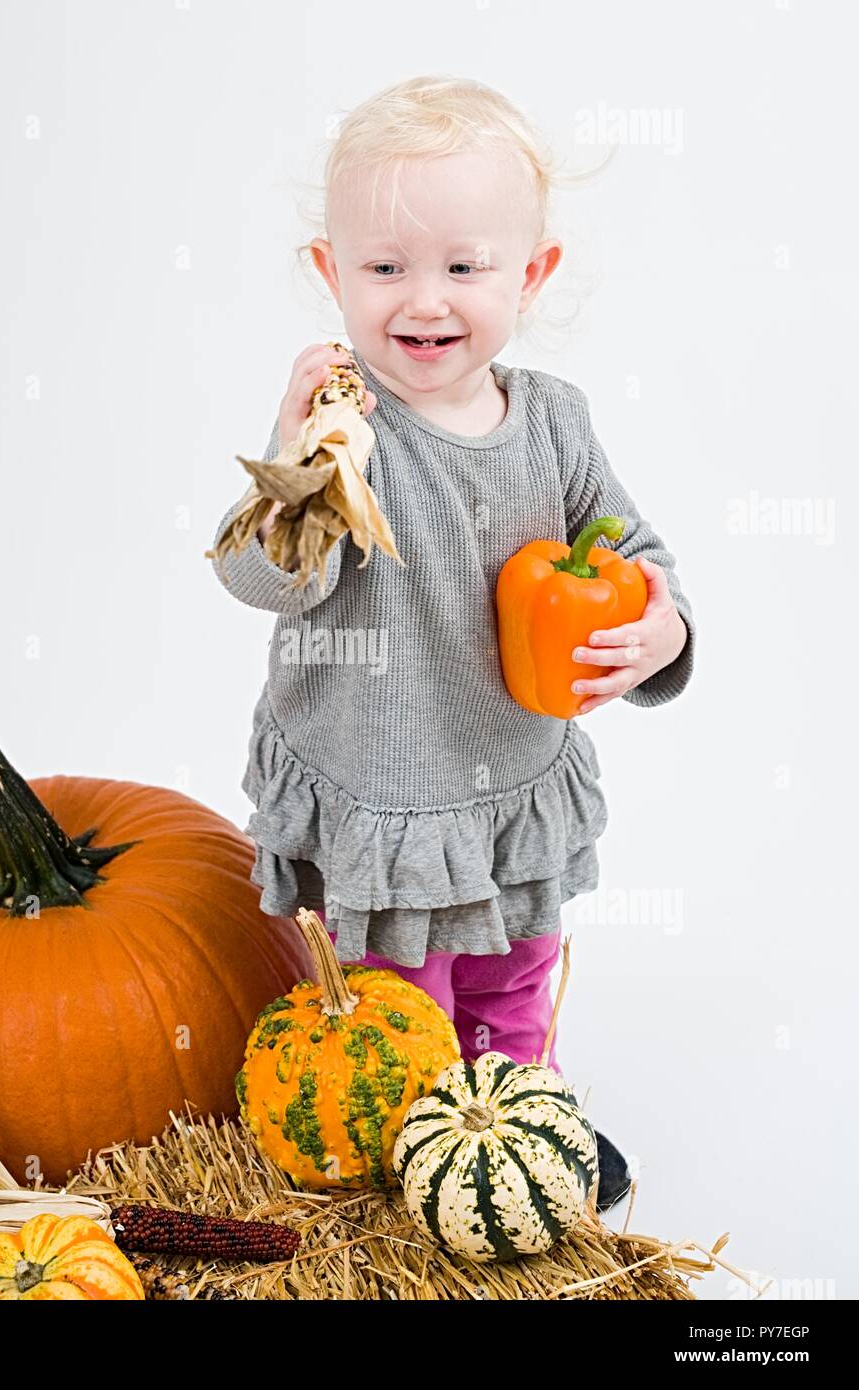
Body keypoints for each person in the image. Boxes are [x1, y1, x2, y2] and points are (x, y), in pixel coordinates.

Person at [209, 76, 695, 1212]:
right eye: (384, 268)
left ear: (529, 276)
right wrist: (295, 457)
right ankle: (409, 1175)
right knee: (401, 1005)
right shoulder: (347, 427)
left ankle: (515, 1129)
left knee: (513, 975)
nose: (422, 301)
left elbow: (631, 545)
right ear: (331, 275)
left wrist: (658, 623)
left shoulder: (557, 423)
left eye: (463, 267)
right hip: (382, 794)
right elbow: (264, 579)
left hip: (507, 783)